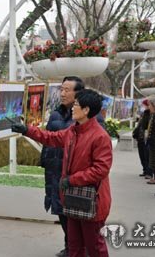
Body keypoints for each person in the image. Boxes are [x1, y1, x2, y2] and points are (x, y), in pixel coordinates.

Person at [12, 89, 112, 257]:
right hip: (72, 196)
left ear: (86, 110)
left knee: (95, 247)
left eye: (76, 105)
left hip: (93, 200)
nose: (73, 108)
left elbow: (100, 169)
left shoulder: (100, 137)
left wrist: (72, 179)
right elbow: (51, 138)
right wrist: (26, 130)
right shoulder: (73, 131)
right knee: (74, 246)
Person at [40, 76, 85, 257]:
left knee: (75, 213)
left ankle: (80, 248)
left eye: (67, 90)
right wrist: (45, 159)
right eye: (62, 89)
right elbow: (48, 138)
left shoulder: (88, 115)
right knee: (61, 211)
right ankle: (70, 246)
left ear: (78, 93)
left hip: (74, 174)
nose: (63, 93)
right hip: (54, 169)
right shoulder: (56, 113)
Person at [132, 99, 153, 179]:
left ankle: (149, 172)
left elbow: (145, 125)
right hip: (141, 137)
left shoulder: (151, 114)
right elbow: (140, 125)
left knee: (147, 155)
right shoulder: (144, 113)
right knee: (142, 155)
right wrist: (135, 133)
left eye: (144, 105)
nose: (143, 107)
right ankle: (145, 170)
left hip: (146, 137)